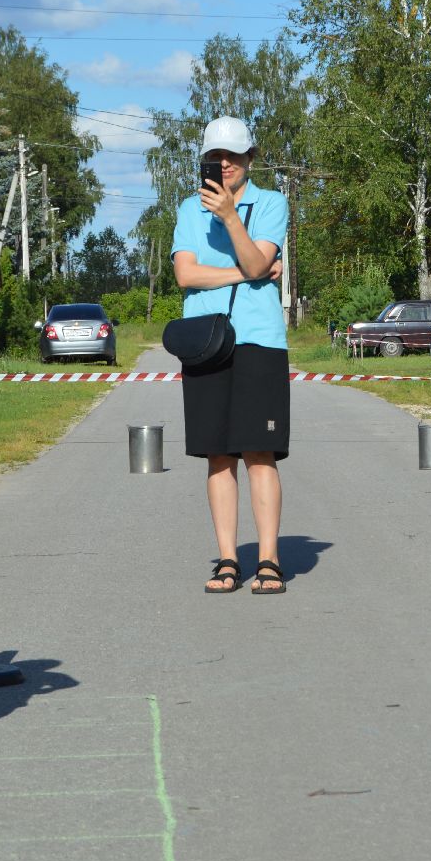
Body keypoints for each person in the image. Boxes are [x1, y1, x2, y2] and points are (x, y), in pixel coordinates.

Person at [171, 116, 290, 594]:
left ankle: (268, 559)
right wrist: (247, 274)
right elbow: (186, 276)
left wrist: (229, 218)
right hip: (205, 342)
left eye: (233, 157)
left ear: (250, 159)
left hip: (259, 340)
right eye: (215, 157)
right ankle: (226, 558)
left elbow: (260, 257)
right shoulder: (187, 209)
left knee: (259, 453)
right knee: (218, 456)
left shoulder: (272, 203)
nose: (224, 165)